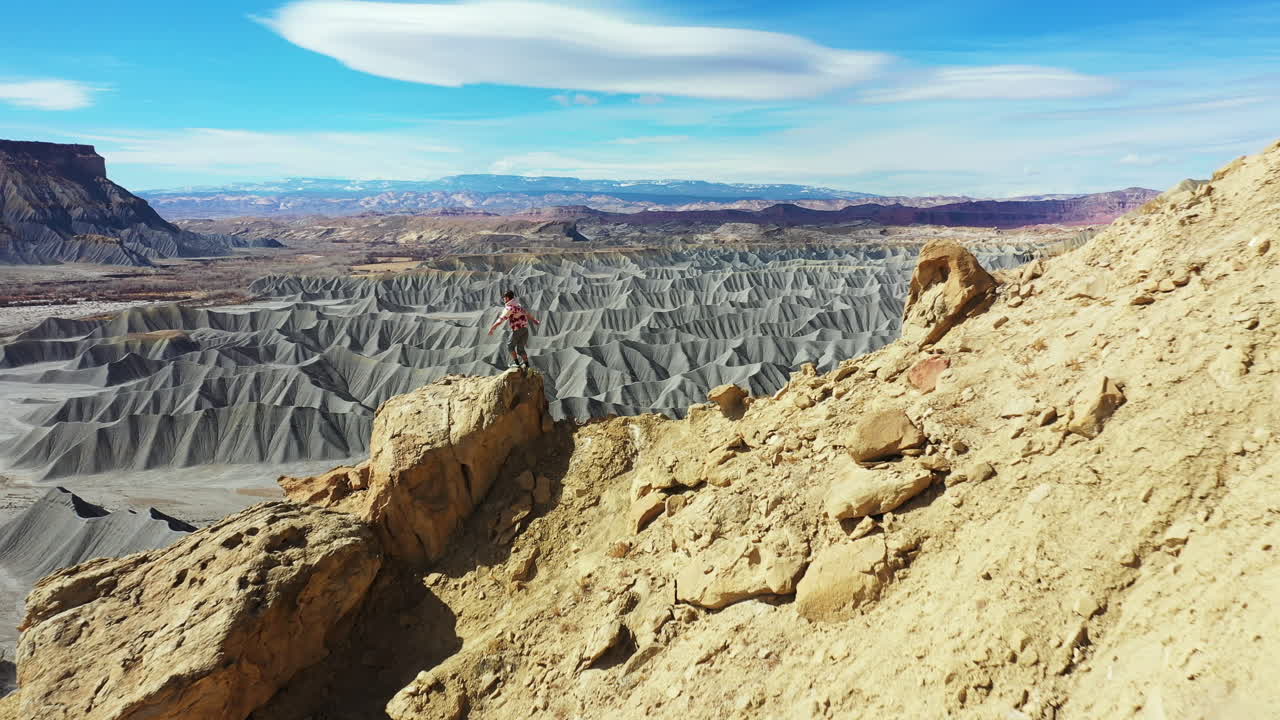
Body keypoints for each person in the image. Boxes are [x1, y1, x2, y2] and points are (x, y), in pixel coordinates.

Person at [487, 289, 541, 369]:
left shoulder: (509, 308)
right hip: (525, 329)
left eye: (504, 298)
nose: (503, 299)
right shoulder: (518, 305)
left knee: (510, 346)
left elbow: (501, 319)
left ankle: (517, 364)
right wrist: (534, 320)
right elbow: (527, 313)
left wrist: (492, 328)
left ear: (508, 298)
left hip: (517, 330)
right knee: (520, 349)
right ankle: (527, 366)